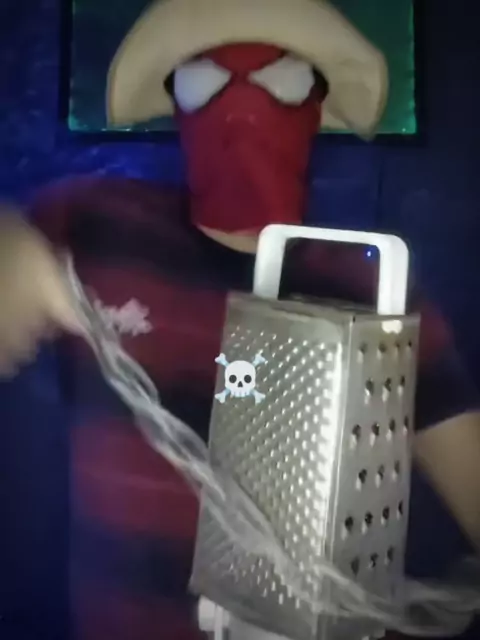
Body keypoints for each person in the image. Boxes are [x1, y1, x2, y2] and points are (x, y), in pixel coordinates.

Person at [0, 0, 479, 639]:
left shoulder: (375, 286)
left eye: (282, 80)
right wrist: (8, 244)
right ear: (176, 103)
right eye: (205, 81)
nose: (243, 106)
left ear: (317, 104)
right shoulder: (95, 225)